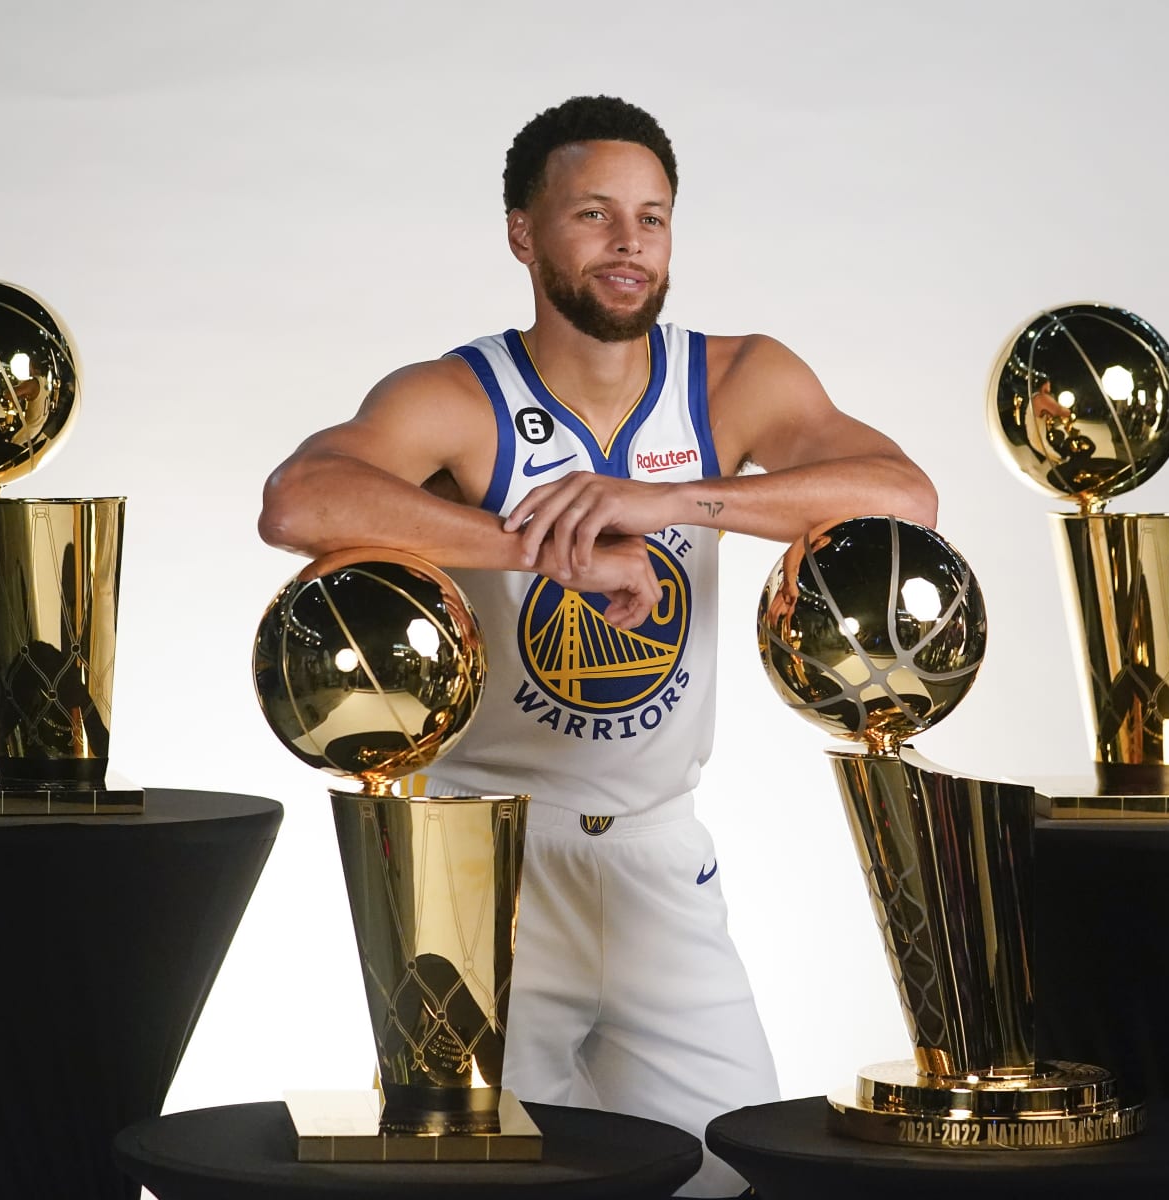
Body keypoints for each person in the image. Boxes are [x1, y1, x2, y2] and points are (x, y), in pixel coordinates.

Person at [259, 94, 936, 1196]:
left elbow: (905, 494)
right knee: (487, 1186)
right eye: (594, 214)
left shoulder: (732, 378)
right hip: (489, 861)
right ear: (523, 233)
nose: (629, 242)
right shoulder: (461, 394)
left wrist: (666, 500)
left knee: (738, 1173)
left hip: (661, 853)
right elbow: (299, 500)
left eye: (651, 218)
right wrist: (543, 549)